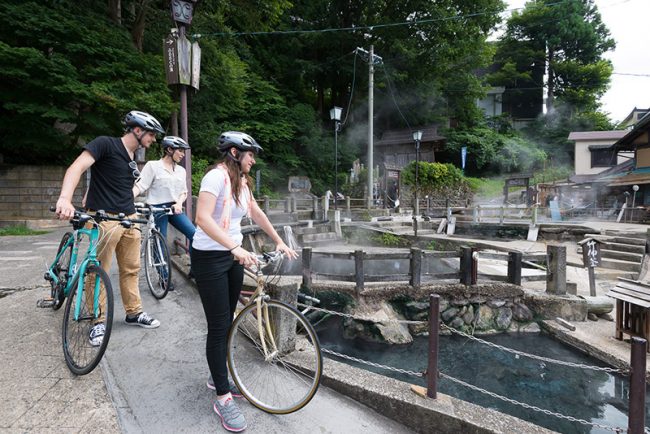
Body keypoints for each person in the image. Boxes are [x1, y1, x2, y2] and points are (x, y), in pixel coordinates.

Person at [191, 131, 297, 432]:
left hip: (232, 257)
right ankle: (222, 397)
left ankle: (218, 376)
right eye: (250, 154)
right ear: (235, 153)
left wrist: (278, 241)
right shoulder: (215, 177)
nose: (253, 159)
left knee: (230, 319)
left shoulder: (242, 182)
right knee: (219, 325)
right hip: (210, 258)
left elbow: (255, 211)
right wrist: (234, 247)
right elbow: (202, 218)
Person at [55, 110, 164, 347]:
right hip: (104, 219)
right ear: (137, 130)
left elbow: (109, 182)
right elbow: (77, 167)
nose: (153, 139)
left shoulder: (131, 159)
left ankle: (133, 311)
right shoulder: (105, 144)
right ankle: (98, 320)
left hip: (129, 218)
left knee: (131, 269)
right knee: (98, 270)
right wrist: (65, 198)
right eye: (151, 134)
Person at [133, 135, 196, 289]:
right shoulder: (153, 166)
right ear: (169, 149)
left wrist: (179, 203)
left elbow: (184, 192)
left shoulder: (181, 170)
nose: (182, 154)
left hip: (175, 207)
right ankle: (164, 277)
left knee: (196, 235)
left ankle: (195, 269)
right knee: (160, 241)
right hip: (157, 208)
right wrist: (126, 200)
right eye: (180, 151)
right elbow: (140, 186)